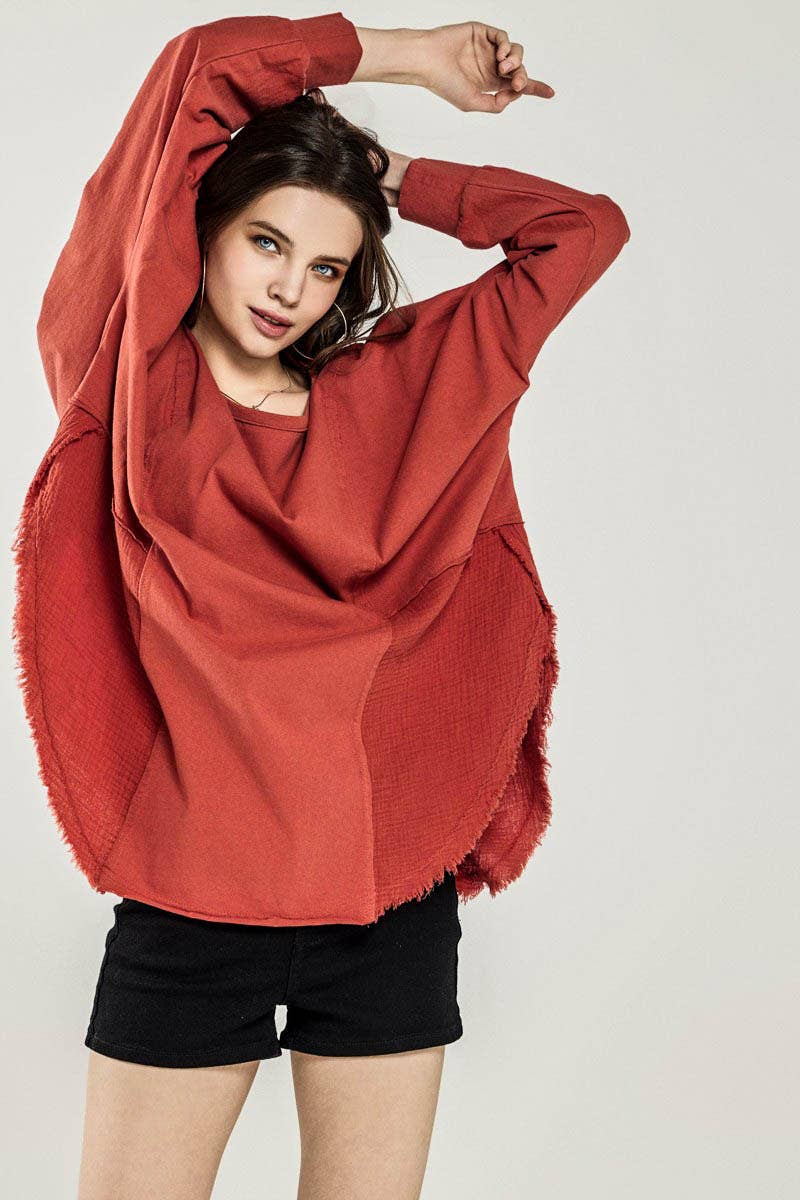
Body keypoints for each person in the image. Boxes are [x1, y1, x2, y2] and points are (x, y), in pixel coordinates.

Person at [13, 12, 630, 1199]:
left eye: (328, 266)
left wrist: (379, 173)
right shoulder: (128, 385)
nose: (290, 288)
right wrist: (407, 58)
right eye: (266, 241)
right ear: (202, 224)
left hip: (384, 902)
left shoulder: (402, 391)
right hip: (192, 907)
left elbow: (580, 232)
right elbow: (203, 67)